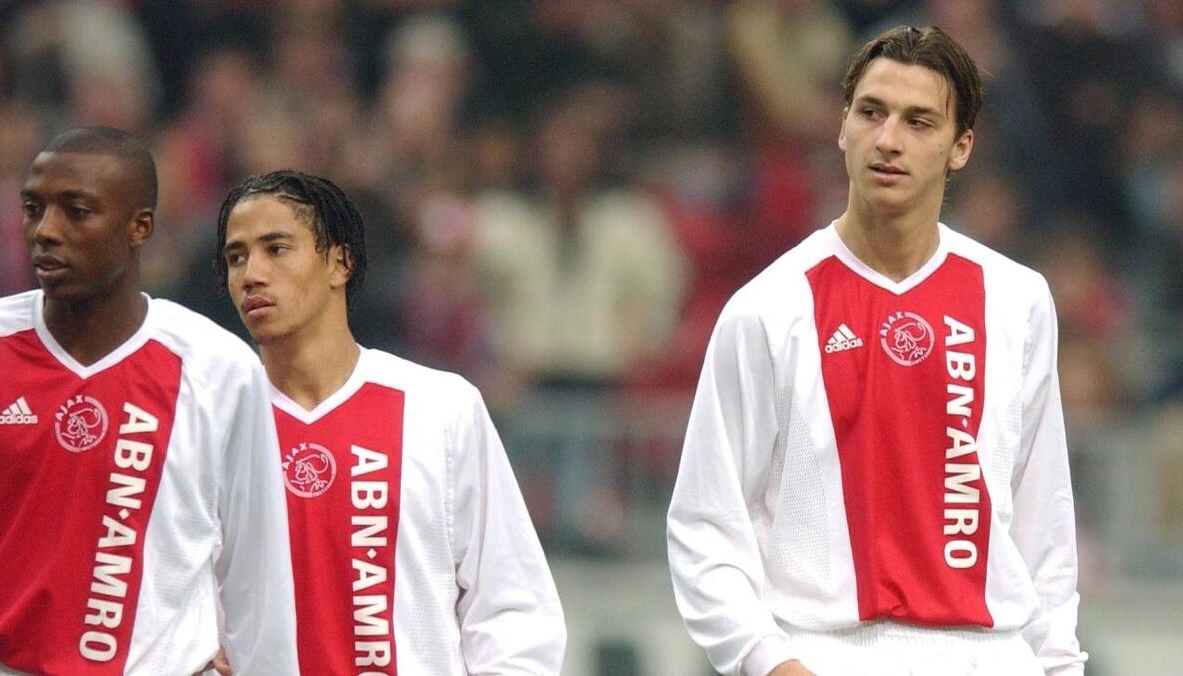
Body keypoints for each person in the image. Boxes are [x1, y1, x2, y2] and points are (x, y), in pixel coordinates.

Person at [667, 26, 1087, 676]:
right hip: (825, 653)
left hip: (993, 656)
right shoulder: (768, 308)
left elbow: (1045, 521)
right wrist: (770, 662)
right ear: (842, 128)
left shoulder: (1017, 299)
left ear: (961, 147)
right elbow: (704, 522)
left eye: (919, 122)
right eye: (871, 113)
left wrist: (1058, 664)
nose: (888, 139)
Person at [216, 169, 567, 674]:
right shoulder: (210, 426)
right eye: (236, 257)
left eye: (276, 248)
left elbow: (513, 606)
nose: (252, 274)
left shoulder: (440, 408)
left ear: (340, 262)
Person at [0, 127, 299, 674]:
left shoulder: (218, 368)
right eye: (34, 209)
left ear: (140, 227)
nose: (46, 231)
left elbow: (257, 572)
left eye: (76, 212)